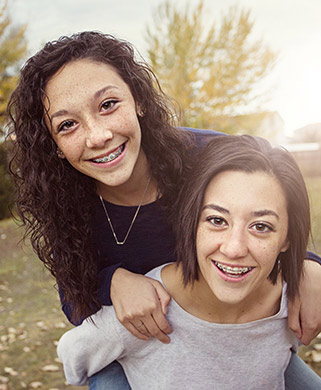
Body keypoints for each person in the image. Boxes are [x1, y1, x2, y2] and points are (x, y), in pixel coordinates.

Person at [8, 31, 321, 389]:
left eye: (108, 105)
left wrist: (308, 265)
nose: (97, 136)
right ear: (57, 146)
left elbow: (272, 198)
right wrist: (114, 282)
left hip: (228, 333)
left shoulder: (206, 157)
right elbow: (74, 297)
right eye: (68, 125)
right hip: (131, 343)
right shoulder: (63, 199)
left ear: (138, 100)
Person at [57, 134, 321, 389]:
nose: (234, 248)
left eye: (261, 226)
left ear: (287, 237)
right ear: (191, 223)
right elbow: (75, 356)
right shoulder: (144, 313)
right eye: (217, 220)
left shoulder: (295, 304)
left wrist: (310, 265)